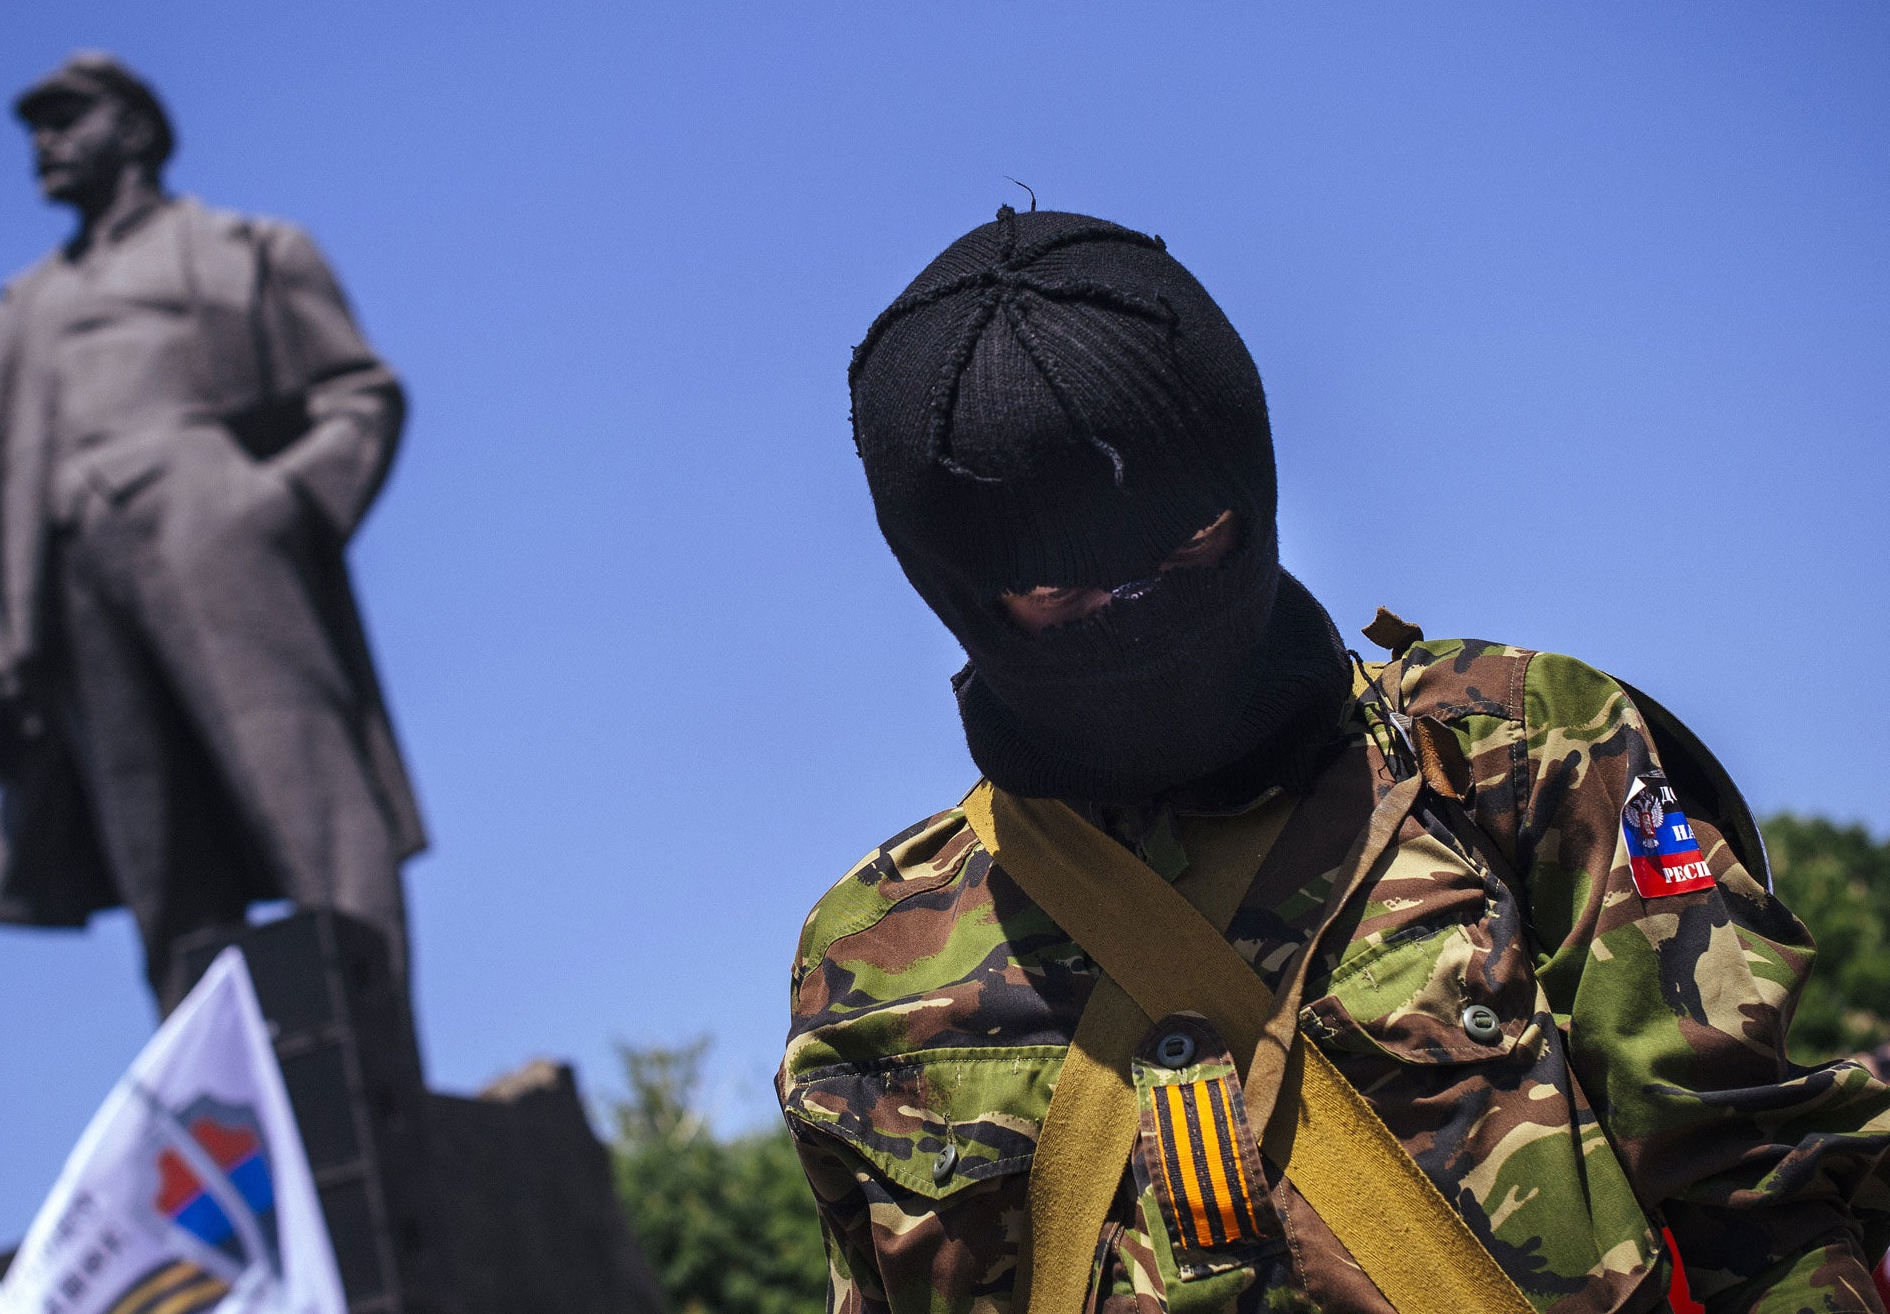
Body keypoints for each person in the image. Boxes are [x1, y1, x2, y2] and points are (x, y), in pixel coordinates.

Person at [778, 205, 1890, 1314]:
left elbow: (1763, 1199)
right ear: (962, 598)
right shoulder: (874, 963)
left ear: (1250, 494)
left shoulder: (1509, 747)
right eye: (1061, 592)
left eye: (1185, 547)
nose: (1140, 610)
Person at [0, 52, 425, 1011]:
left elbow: (360, 396)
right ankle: (219, 1114)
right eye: (36, 128)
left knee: (312, 806)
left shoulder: (245, 248)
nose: (43, 144)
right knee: (157, 858)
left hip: (215, 526)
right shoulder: (14, 316)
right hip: (70, 578)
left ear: (135, 128)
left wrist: (278, 501)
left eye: (66, 120)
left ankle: (373, 1071)